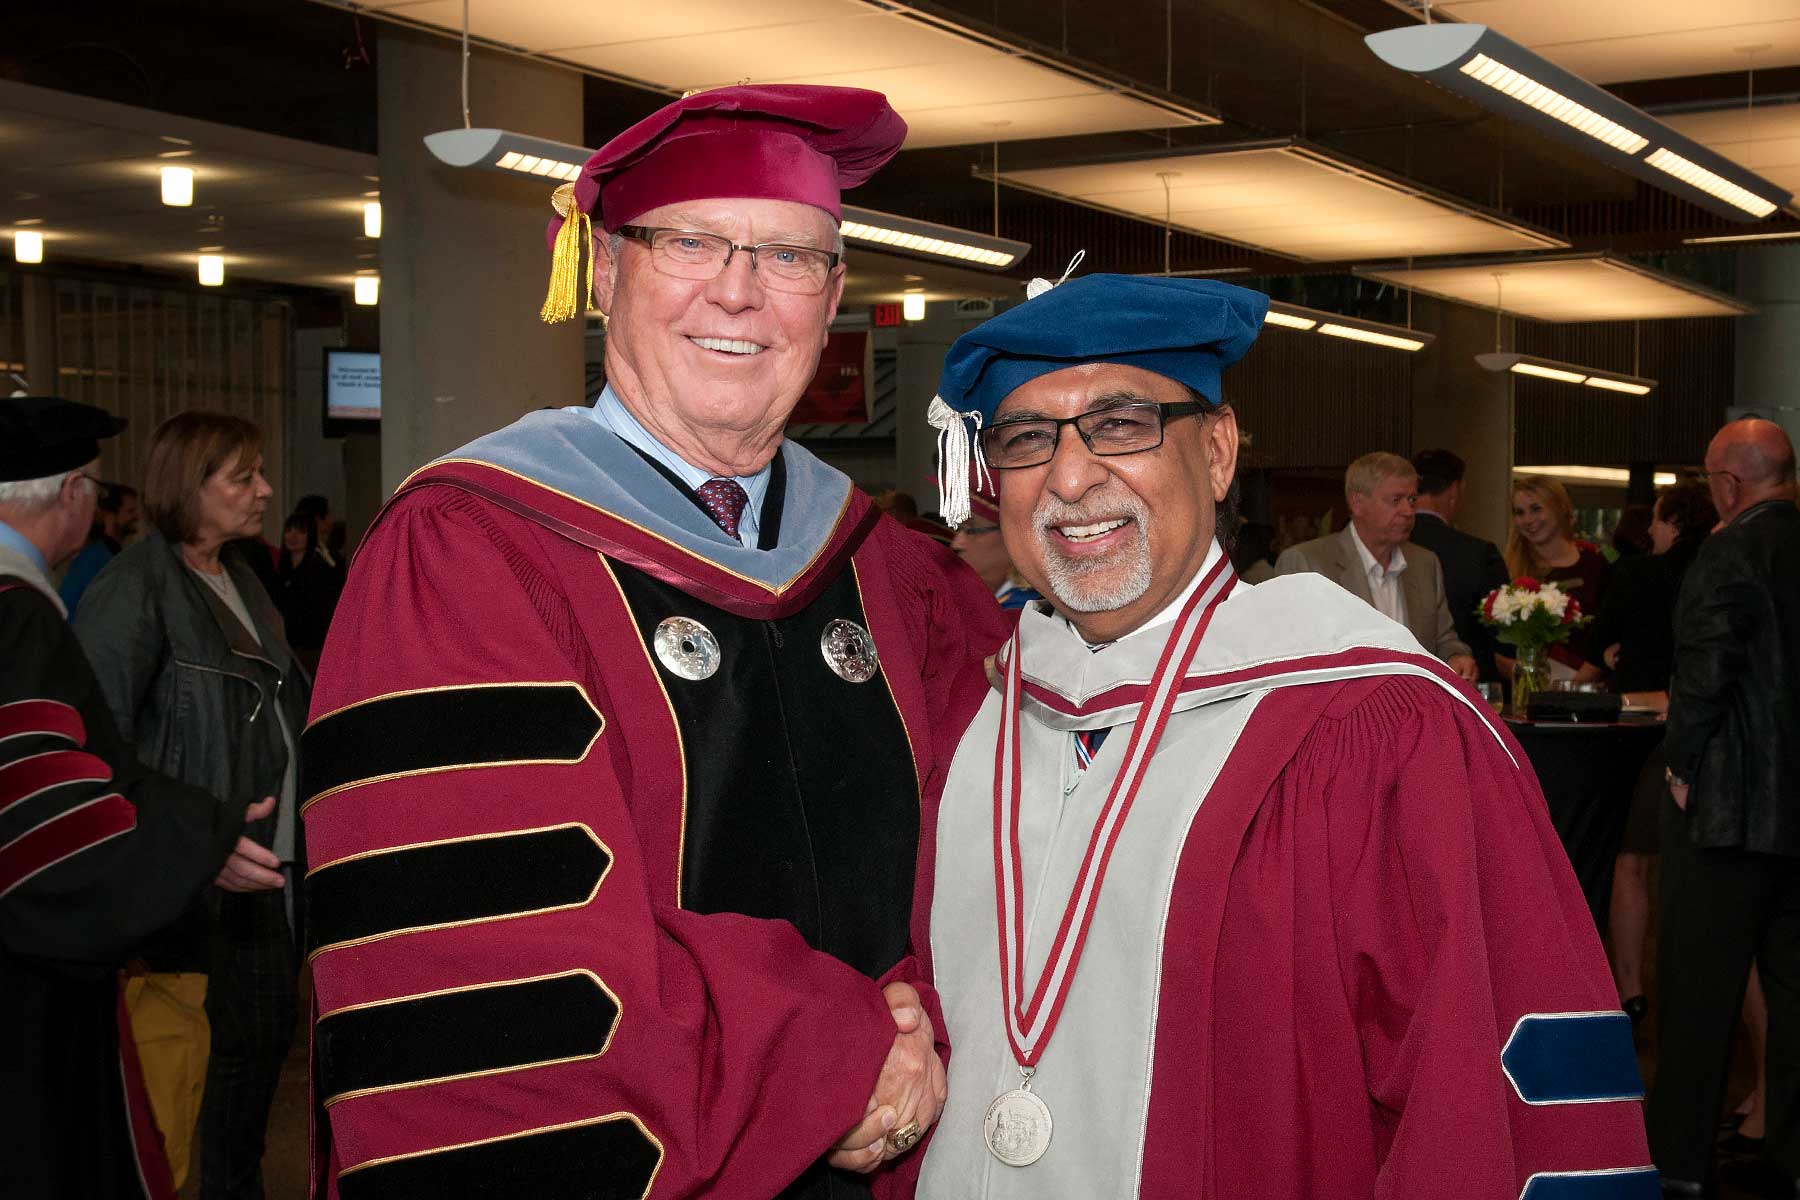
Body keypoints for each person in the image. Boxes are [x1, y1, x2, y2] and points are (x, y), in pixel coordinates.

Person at [302, 85, 1006, 1200]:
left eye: (790, 257)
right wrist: (836, 1059)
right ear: (604, 271)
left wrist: (929, 1050)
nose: (740, 290)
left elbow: (1000, 867)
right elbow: (495, 961)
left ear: (834, 299)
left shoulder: (893, 572)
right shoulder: (469, 550)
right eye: (690, 242)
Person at [912, 273, 1652, 1198]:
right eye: (1026, 440)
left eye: (1122, 423)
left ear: (1218, 452)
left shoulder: (1376, 725)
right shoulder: (983, 715)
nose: (1069, 477)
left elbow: (1486, 1092)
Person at [0, 396, 281, 1199]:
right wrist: (197, 840)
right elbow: (73, 784)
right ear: (71, 496)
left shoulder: (243, 580)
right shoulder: (21, 617)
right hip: (27, 968)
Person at [74, 411, 310, 1200]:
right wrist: (182, 848)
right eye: (242, 477)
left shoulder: (241, 576)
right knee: (197, 1093)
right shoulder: (132, 589)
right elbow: (95, 751)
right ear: (188, 487)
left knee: (249, 1078)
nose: (264, 490)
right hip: (194, 884)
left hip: (258, 868)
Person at [1649, 418, 1800, 1196]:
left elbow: (1706, 670)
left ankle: (1677, 1167)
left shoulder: (1730, 548)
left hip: (1728, 814)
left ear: (1730, 486)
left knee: (1697, 1000)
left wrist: (1680, 766)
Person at [1578, 480, 1715, 1028]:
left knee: (1629, 863)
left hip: (1643, 738)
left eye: (1657, 520)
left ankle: (1631, 991)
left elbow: (1597, 653)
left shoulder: (1637, 575)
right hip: (1709, 736)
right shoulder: (1716, 570)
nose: (1651, 531)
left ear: (1674, 522)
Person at [1274, 451, 1478, 680]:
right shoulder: (1307, 563)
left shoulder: (1425, 564)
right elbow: (1287, 657)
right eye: (1396, 500)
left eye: (1411, 500)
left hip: (1414, 708)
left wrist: (1457, 657)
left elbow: (1444, 639)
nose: (1408, 511)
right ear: (1357, 502)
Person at [1409, 448, 1509, 681]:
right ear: (1454, 491)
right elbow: (1501, 634)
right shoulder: (1478, 553)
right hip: (1467, 681)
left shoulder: (1385, 549)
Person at [1506, 475, 1607, 676]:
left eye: (1536, 509)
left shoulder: (1594, 564)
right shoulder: (1508, 568)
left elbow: (1607, 635)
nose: (1528, 520)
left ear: (1560, 507)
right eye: (1520, 512)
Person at [949, 470, 1041, 611]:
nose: (956, 543)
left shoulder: (1020, 618)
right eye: (959, 529)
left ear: (1011, 538)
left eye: (970, 530)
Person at [273, 510, 342, 673]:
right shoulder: (280, 567)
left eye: (301, 531)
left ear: (310, 535)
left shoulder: (319, 567)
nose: (293, 536)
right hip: (287, 645)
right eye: (289, 530)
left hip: (313, 646)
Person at [58, 480, 140, 615]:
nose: (136, 517)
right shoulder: (92, 558)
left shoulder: (115, 555)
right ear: (110, 514)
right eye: (130, 511)